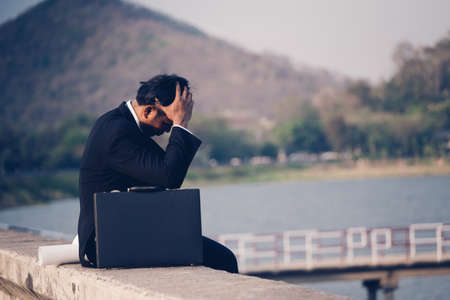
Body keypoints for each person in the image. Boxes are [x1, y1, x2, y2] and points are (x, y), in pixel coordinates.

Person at [77, 74, 238, 273]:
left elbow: (166, 171)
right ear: (149, 110)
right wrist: (181, 123)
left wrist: (176, 122)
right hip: (106, 241)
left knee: (216, 256)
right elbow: (169, 176)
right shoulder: (117, 132)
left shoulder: (123, 125)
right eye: (166, 123)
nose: (166, 131)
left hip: (125, 231)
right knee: (224, 260)